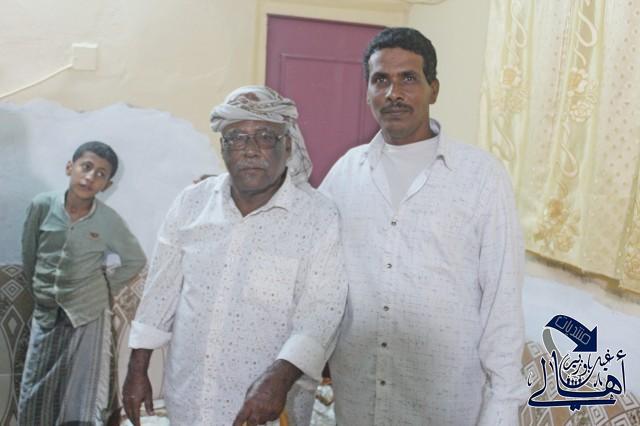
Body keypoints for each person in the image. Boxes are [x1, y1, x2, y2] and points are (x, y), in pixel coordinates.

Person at [320, 27, 528, 425]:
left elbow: (501, 298)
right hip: (359, 398)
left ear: (434, 89)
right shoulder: (346, 172)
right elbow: (310, 254)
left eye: (408, 79)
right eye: (381, 80)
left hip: (444, 403)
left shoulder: (481, 176)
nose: (393, 93)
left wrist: (503, 406)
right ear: (368, 92)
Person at [122, 85, 348, 426]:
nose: (250, 149)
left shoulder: (318, 217)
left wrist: (280, 377)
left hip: (272, 407)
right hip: (189, 398)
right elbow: (160, 293)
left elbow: (322, 312)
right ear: (223, 147)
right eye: (237, 138)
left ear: (287, 145)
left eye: (265, 137)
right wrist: (137, 369)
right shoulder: (191, 203)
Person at [18, 141, 147, 425]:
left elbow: (135, 260)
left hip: (88, 315)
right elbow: (29, 254)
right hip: (46, 314)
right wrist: (39, 291)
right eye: (86, 167)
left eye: (100, 174)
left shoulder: (108, 220)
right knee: (34, 390)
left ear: (107, 184)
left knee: (82, 396)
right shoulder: (42, 206)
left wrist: (105, 288)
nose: (90, 177)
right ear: (70, 167)